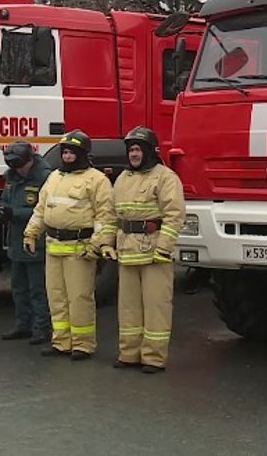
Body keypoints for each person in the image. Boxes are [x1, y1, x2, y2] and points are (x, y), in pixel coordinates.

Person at [23, 130, 116, 361]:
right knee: (57, 298)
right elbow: (41, 210)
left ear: (82, 154)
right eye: (64, 152)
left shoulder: (97, 180)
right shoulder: (54, 177)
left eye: (71, 152)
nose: (67, 156)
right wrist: (31, 234)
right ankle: (61, 342)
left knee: (79, 299)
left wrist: (98, 244)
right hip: (54, 247)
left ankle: (83, 344)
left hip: (80, 250)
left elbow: (105, 216)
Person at [111, 126, 185, 373]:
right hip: (127, 252)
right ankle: (129, 354)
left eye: (138, 149)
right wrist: (105, 243)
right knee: (128, 308)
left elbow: (174, 215)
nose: (134, 154)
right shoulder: (123, 178)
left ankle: (153, 357)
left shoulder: (165, 177)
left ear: (149, 151)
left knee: (156, 307)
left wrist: (164, 247)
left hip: (154, 254)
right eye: (131, 150)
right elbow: (111, 215)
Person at [0, 140, 52, 345]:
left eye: (19, 165)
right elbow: (5, 199)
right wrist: (4, 210)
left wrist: (16, 213)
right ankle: (23, 325)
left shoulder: (45, 178)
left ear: (29, 160)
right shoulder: (11, 177)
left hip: (36, 242)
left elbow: (45, 211)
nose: (17, 169)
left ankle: (42, 328)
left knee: (37, 289)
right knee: (19, 288)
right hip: (15, 239)